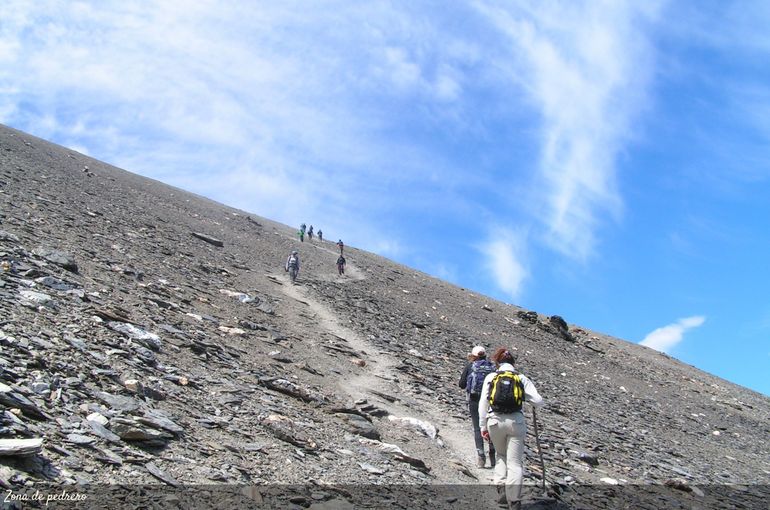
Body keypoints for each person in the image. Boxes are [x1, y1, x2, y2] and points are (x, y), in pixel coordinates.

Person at [479, 347, 543, 510]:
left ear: (497, 362)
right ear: (513, 362)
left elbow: (483, 403)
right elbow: (538, 401)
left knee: (501, 455)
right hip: (516, 422)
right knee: (515, 462)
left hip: (495, 421)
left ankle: (501, 488)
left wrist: (482, 426)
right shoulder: (521, 378)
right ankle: (514, 500)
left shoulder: (492, 377)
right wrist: (524, 397)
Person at [458, 345, 496, 468]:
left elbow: (461, 384)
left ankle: (481, 457)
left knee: (477, 427)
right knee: (490, 426)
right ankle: (493, 454)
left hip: (474, 399)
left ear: (473, 356)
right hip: (490, 401)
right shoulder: (492, 367)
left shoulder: (470, 366)